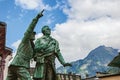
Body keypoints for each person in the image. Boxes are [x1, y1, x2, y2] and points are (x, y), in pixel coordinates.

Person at [6, 10, 44, 80]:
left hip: (15, 66)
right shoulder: (25, 40)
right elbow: (30, 28)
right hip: (19, 65)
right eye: (32, 33)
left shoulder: (32, 46)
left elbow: (35, 57)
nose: (34, 35)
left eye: (34, 34)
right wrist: (37, 17)